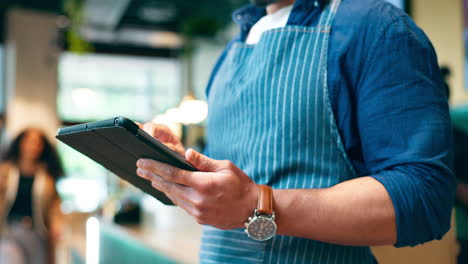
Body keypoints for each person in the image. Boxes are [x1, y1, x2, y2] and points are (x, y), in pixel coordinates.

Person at [136, 0, 456, 263]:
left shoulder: (375, 27)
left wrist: (256, 205)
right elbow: (239, 178)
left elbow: (424, 197)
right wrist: (183, 166)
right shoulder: (232, 49)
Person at [0, 128, 64, 264]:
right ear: (20, 144)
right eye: (29, 141)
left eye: (37, 143)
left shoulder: (47, 178)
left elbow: (54, 207)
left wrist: (57, 225)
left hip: (37, 233)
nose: (32, 146)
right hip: (9, 231)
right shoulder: (4, 172)